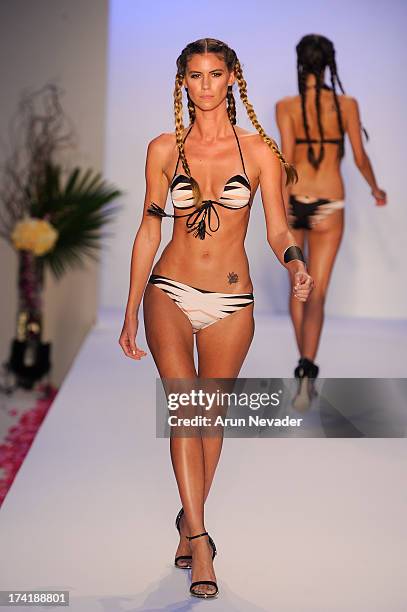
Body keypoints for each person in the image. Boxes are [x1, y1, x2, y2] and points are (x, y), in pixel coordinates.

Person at [119, 38, 313, 599]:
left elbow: (277, 227)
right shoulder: (162, 150)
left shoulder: (258, 153)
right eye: (195, 76)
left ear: (233, 79)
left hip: (232, 300)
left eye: (215, 74)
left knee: (209, 418)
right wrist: (131, 309)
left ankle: (186, 518)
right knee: (184, 407)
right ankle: (202, 539)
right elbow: (149, 230)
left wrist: (294, 264)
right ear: (182, 81)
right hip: (170, 290)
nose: (205, 85)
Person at [275, 34, 387, 408]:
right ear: (329, 64)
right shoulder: (346, 105)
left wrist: (274, 203)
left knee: (297, 286)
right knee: (317, 291)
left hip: (294, 201)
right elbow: (359, 157)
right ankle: (307, 367)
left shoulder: (286, 106)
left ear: (300, 62)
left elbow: (286, 160)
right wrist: (375, 189)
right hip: (329, 203)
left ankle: (301, 364)